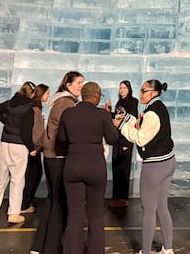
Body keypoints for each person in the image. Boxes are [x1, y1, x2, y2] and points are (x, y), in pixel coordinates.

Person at [57, 81, 120, 254]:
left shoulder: (68, 113)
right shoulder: (101, 114)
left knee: (75, 215)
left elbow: (61, 139)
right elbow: (113, 139)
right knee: (95, 215)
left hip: (73, 164)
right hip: (94, 166)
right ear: (95, 96)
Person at [116, 79, 175, 254]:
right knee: (162, 206)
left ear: (153, 93)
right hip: (168, 161)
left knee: (149, 209)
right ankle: (168, 248)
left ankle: (146, 251)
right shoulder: (158, 108)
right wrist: (127, 119)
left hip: (155, 165)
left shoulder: (151, 113)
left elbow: (141, 138)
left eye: (143, 90)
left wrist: (121, 126)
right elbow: (147, 129)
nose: (140, 93)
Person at [31, 71, 84, 254]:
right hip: (58, 156)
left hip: (53, 155)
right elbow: (68, 129)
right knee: (60, 202)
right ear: (68, 85)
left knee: (53, 200)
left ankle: (40, 245)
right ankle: (52, 246)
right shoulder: (66, 103)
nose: (81, 87)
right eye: (78, 83)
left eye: (82, 83)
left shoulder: (63, 101)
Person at [0, 81, 37, 224]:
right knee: (17, 180)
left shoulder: (10, 103)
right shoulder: (28, 109)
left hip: (5, 143)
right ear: (32, 93)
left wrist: (5, 121)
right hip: (19, 146)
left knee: (0, 179)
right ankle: (13, 213)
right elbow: (26, 133)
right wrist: (32, 148)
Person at [107, 80, 139, 208]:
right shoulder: (119, 102)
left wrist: (127, 142)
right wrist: (109, 111)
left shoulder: (133, 101)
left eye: (124, 88)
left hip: (126, 138)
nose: (122, 90)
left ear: (129, 89)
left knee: (123, 169)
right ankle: (116, 196)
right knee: (116, 167)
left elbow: (131, 119)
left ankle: (122, 198)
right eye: (120, 88)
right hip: (117, 138)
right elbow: (117, 118)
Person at [22, 83, 49, 214]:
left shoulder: (35, 108)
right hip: (34, 148)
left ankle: (27, 200)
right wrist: (39, 146)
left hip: (33, 147)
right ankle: (25, 204)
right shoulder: (36, 109)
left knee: (34, 174)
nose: (48, 96)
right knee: (33, 175)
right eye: (47, 93)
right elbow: (37, 131)